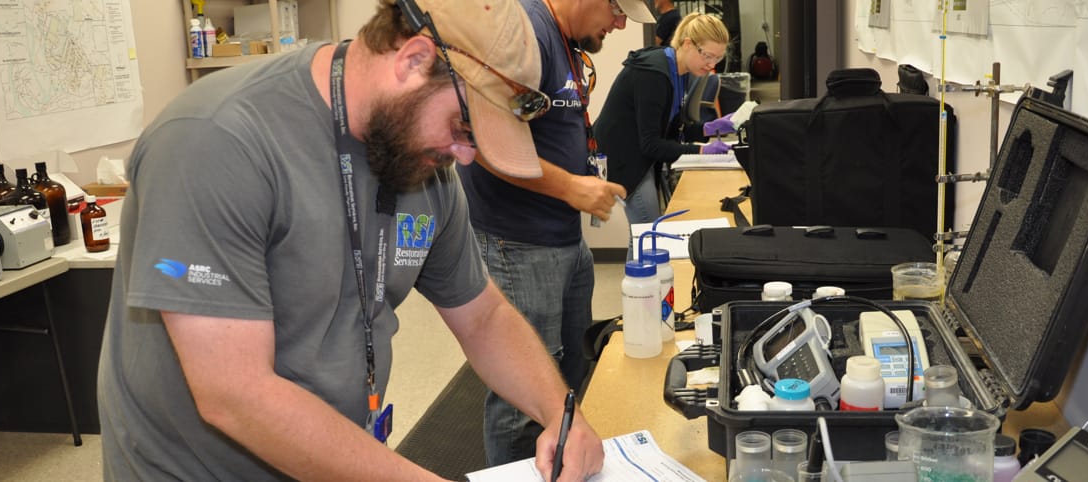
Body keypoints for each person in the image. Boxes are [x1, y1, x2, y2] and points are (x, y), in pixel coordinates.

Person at [96, 0, 605, 480]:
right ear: (413, 61)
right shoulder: (216, 140)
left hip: (335, 455)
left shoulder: (426, 168)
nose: (466, 156)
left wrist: (562, 414)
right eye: (462, 125)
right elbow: (235, 394)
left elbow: (484, 316)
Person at [457, 0, 655, 467]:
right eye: (617, 10)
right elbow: (480, 138)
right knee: (522, 400)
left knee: (565, 380)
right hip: (519, 244)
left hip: (563, 239)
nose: (621, 24)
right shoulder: (523, 31)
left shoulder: (562, 43)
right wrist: (570, 187)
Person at [595, 13, 731, 224]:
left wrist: (709, 129)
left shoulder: (680, 70)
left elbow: (673, 131)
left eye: (718, 58)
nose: (711, 64)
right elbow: (651, 145)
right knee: (648, 233)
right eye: (707, 55)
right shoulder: (655, 74)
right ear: (688, 44)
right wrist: (702, 150)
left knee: (645, 235)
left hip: (641, 152)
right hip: (623, 157)